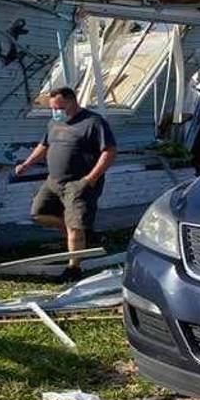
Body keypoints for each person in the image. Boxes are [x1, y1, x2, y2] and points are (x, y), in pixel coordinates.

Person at [15, 86, 117, 275]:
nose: (56, 112)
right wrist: (26, 164)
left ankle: (74, 267)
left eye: (60, 108)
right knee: (38, 213)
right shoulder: (54, 123)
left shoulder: (93, 122)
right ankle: (79, 235)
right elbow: (43, 145)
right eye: (53, 108)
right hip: (54, 181)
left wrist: (90, 178)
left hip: (79, 183)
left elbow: (109, 152)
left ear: (73, 101)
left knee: (75, 226)